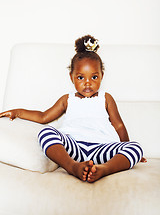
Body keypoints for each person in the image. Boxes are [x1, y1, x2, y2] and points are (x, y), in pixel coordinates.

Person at [0, 35, 147, 183]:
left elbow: (119, 125)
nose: (88, 83)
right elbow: (43, 117)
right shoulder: (67, 99)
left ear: (102, 76)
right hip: (74, 147)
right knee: (45, 132)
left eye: (94, 77)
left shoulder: (106, 98)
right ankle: (73, 167)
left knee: (136, 147)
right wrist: (17, 112)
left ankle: (104, 169)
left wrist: (126, 148)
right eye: (81, 78)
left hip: (103, 148)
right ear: (72, 77)